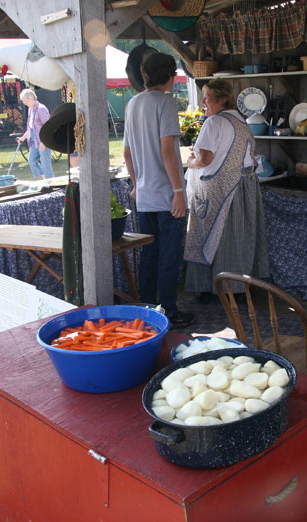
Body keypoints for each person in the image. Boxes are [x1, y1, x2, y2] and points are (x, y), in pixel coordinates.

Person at [123, 53, 194, 329]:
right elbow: (167, 150)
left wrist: (135, 183)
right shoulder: (165, 102)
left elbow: (127, 152)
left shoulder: (132, 103)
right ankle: (169, 311)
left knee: (149, 254)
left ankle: (146, 309)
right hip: (166, 194)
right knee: (168, 255)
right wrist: (178, 190)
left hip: (145, 194)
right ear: (169, 76)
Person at [184, 79, 269, 303]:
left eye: (208, 97)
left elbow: (204, 159)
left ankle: (211, 288)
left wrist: (188, 161)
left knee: (212, 236)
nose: (203, 102)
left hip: (221, 189)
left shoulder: (214, 123)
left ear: (222, 99)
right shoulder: (241, 121)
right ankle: (238, 288)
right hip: (244, 187)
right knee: (238, 238)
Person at [16, 88, 54, 179]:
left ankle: (52, 184)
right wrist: (22, 138)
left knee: (46, 166)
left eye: (26, 101)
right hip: (34, 141)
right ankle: (46, 180)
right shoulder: (30, 110)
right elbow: (30, 127)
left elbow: (48, 126)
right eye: (24, 101)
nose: (25, 103)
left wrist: (44, 142)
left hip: (43, 140)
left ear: (32, 98)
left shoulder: (41, 109)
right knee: (32, 161)